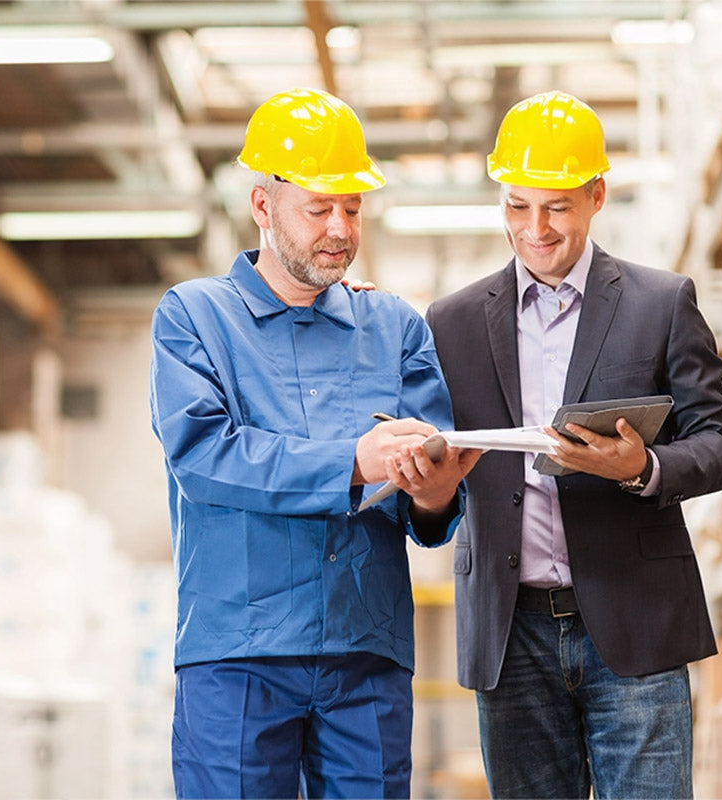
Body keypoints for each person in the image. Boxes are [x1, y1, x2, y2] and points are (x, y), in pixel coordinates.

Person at [149, 87, 480, 800]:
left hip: (366, 651)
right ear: (263, 206)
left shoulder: (394, 327)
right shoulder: (194, 318)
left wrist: (434, 493)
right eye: (318, 208)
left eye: (353, 208)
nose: (339, 228)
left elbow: (424, 511)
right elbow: (205, 457)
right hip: (238, 653)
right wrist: (353, 463)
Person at [425, 90, 722, 799]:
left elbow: (719, 447)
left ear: (597, 195)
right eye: (516, 206)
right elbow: (429, 499)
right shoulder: (451, 323)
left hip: (633, 623)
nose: (534, 229)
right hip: (511, 634)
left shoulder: (661, 304)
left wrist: (645, 467)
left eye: (556, 206)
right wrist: (429, 489)